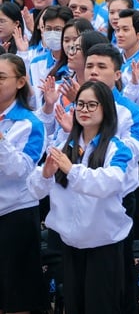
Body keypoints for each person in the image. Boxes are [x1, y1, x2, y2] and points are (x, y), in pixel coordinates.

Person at [28, 80, 133, 314]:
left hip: (104, 245)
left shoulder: (117, 148)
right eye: (80, 105)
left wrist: (71, 169)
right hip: (70, 243)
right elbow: (36, 190)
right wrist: (44, 175)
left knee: (101, 307)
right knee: (74, 306)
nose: (84, 110)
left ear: (106, 109)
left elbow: (110, 182)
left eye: (92, 105)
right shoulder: (64, 144)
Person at [0, 53, 48, 313]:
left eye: (1, 77)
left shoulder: (31, 123)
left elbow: (19, 169)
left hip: (15, 212)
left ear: (20, 82)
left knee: (17, 293)